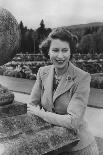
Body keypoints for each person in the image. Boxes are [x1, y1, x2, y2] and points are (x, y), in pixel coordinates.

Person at [28, 27, 99, 155]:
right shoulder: (42, 72)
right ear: (48, 51)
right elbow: (31, 106)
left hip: (79, 148)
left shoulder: (82, 77)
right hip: (54, 146)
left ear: (70, 52)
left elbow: (73, 121)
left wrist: (41, 114)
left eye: (65, 50)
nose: (60, 56)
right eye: (55, 50)